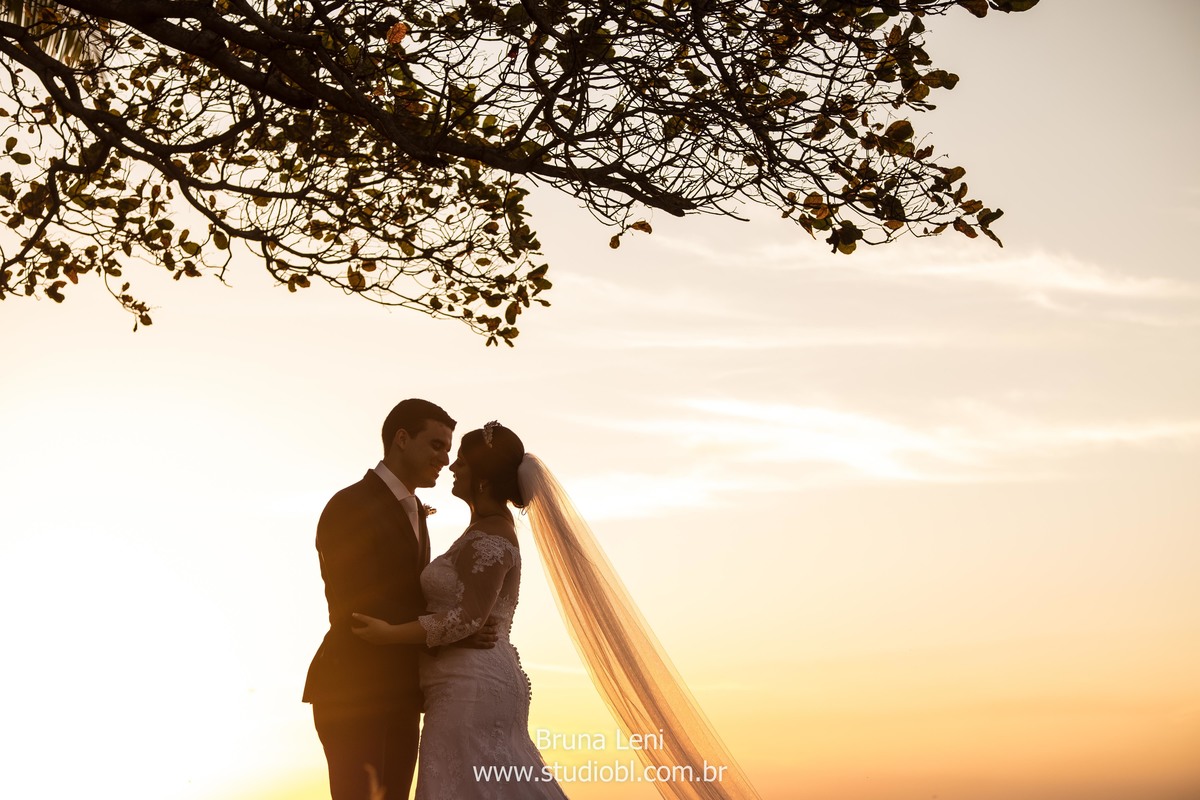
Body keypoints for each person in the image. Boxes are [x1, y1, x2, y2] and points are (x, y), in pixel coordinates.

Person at [351, 422, 763, 800]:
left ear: (483, 476)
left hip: (471, 689)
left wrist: (389, 634)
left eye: (461, 459)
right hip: (465, 680)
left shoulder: (492, 535)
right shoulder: (482, 530)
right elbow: (467, 617)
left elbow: (467, 619)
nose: (453, 466)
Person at [303, 398, 465, 800]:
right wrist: (449, 631)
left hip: (401, 692)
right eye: (436, 445)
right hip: (354, 688)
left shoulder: (413, 509)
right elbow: (360, 605)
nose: (444, 458)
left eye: (448, 448)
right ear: (402, 439)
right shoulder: (350, 505)